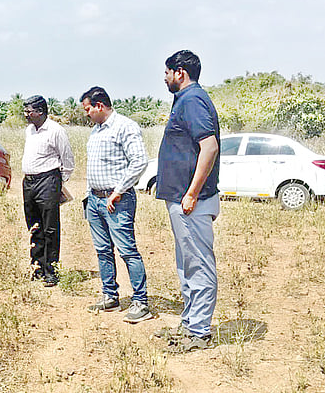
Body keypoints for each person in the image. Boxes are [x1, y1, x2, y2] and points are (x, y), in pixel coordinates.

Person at [156, 50, 221, 351]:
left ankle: (199, 332)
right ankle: (190, 323)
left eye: (167, 72)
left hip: (191, 202)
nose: (165, 77)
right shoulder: (185, 99)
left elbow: (209, 147)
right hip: (183, 200)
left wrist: (192, 193)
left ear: (179, 72)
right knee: (187, 265)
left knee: (199, 265)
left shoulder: (193, 100)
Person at [80, 86, 153, 323]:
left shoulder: (125, 126)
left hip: (117, 201)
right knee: (103, 250)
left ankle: (140, 302)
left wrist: (118, 191)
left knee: (127, 251)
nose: (87, 114)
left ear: (100, 106)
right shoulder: (96, 131)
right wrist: (90, 196)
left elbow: (139, 161)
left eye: (88, 109)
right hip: (95, 200)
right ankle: (110, 296)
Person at [22, 95, 75, 287]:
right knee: (34, 226)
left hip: (48, 181)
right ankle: (37, 268)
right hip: (29, 182)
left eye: (29, 111)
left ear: (40, 111)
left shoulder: (56, 131)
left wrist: (58, 183)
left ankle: (51, 272)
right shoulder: (29, 130)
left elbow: (67, 160)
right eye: (25, 111)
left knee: (50, 228)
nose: (26, 114)